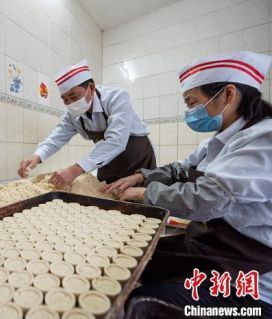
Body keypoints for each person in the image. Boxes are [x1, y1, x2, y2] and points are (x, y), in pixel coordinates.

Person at [104, 51, 272, 316]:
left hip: (249, 280)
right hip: (212, 249)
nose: (191, 112)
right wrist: (143, 176)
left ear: (228, 94)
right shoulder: (218, 142)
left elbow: (212, 198)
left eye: (193, 103)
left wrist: (147, 193)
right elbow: (182, 169)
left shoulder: (263, 139)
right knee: (134, 266)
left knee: (143, 301)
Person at [17, 60, 156, 186]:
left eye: (74, 96)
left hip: (136, 157)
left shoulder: (117, 98)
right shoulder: (72, 114)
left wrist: (75, 169)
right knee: (106, 197)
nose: (70, 103)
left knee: (139, 198)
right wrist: (37, 156)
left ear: (91, 87)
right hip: (108, 161)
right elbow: (57, 137)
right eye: (65, 99)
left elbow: (116, 140)